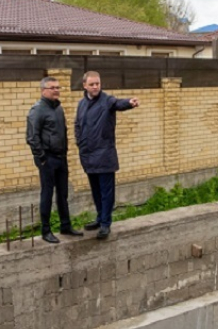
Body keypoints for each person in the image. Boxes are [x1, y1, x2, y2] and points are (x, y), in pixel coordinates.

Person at [74, 71, 139, 239]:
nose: (96, 87)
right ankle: (99, 218)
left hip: (104, 155)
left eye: (98, 83)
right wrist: (79, 142)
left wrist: (129, 103)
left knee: (106, 192)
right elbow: (78, 125)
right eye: (92, 84)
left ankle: (105, 224)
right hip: (88, 155)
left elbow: (118, 103)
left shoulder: (107, 101)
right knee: (96, 191)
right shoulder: (81, 104)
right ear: (85, 86)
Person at [26, 76, 83, 243]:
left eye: (58, 87)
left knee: (63, 194)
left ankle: (65, 226)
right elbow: (32, 137)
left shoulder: (58, 108)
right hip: (47, 159)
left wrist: (65, 153)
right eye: (53, 88)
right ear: (44, 90)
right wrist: (42, 157)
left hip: (61, 158)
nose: (57, 90)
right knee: (47, 194)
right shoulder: (37, 110)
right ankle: (46, 230)